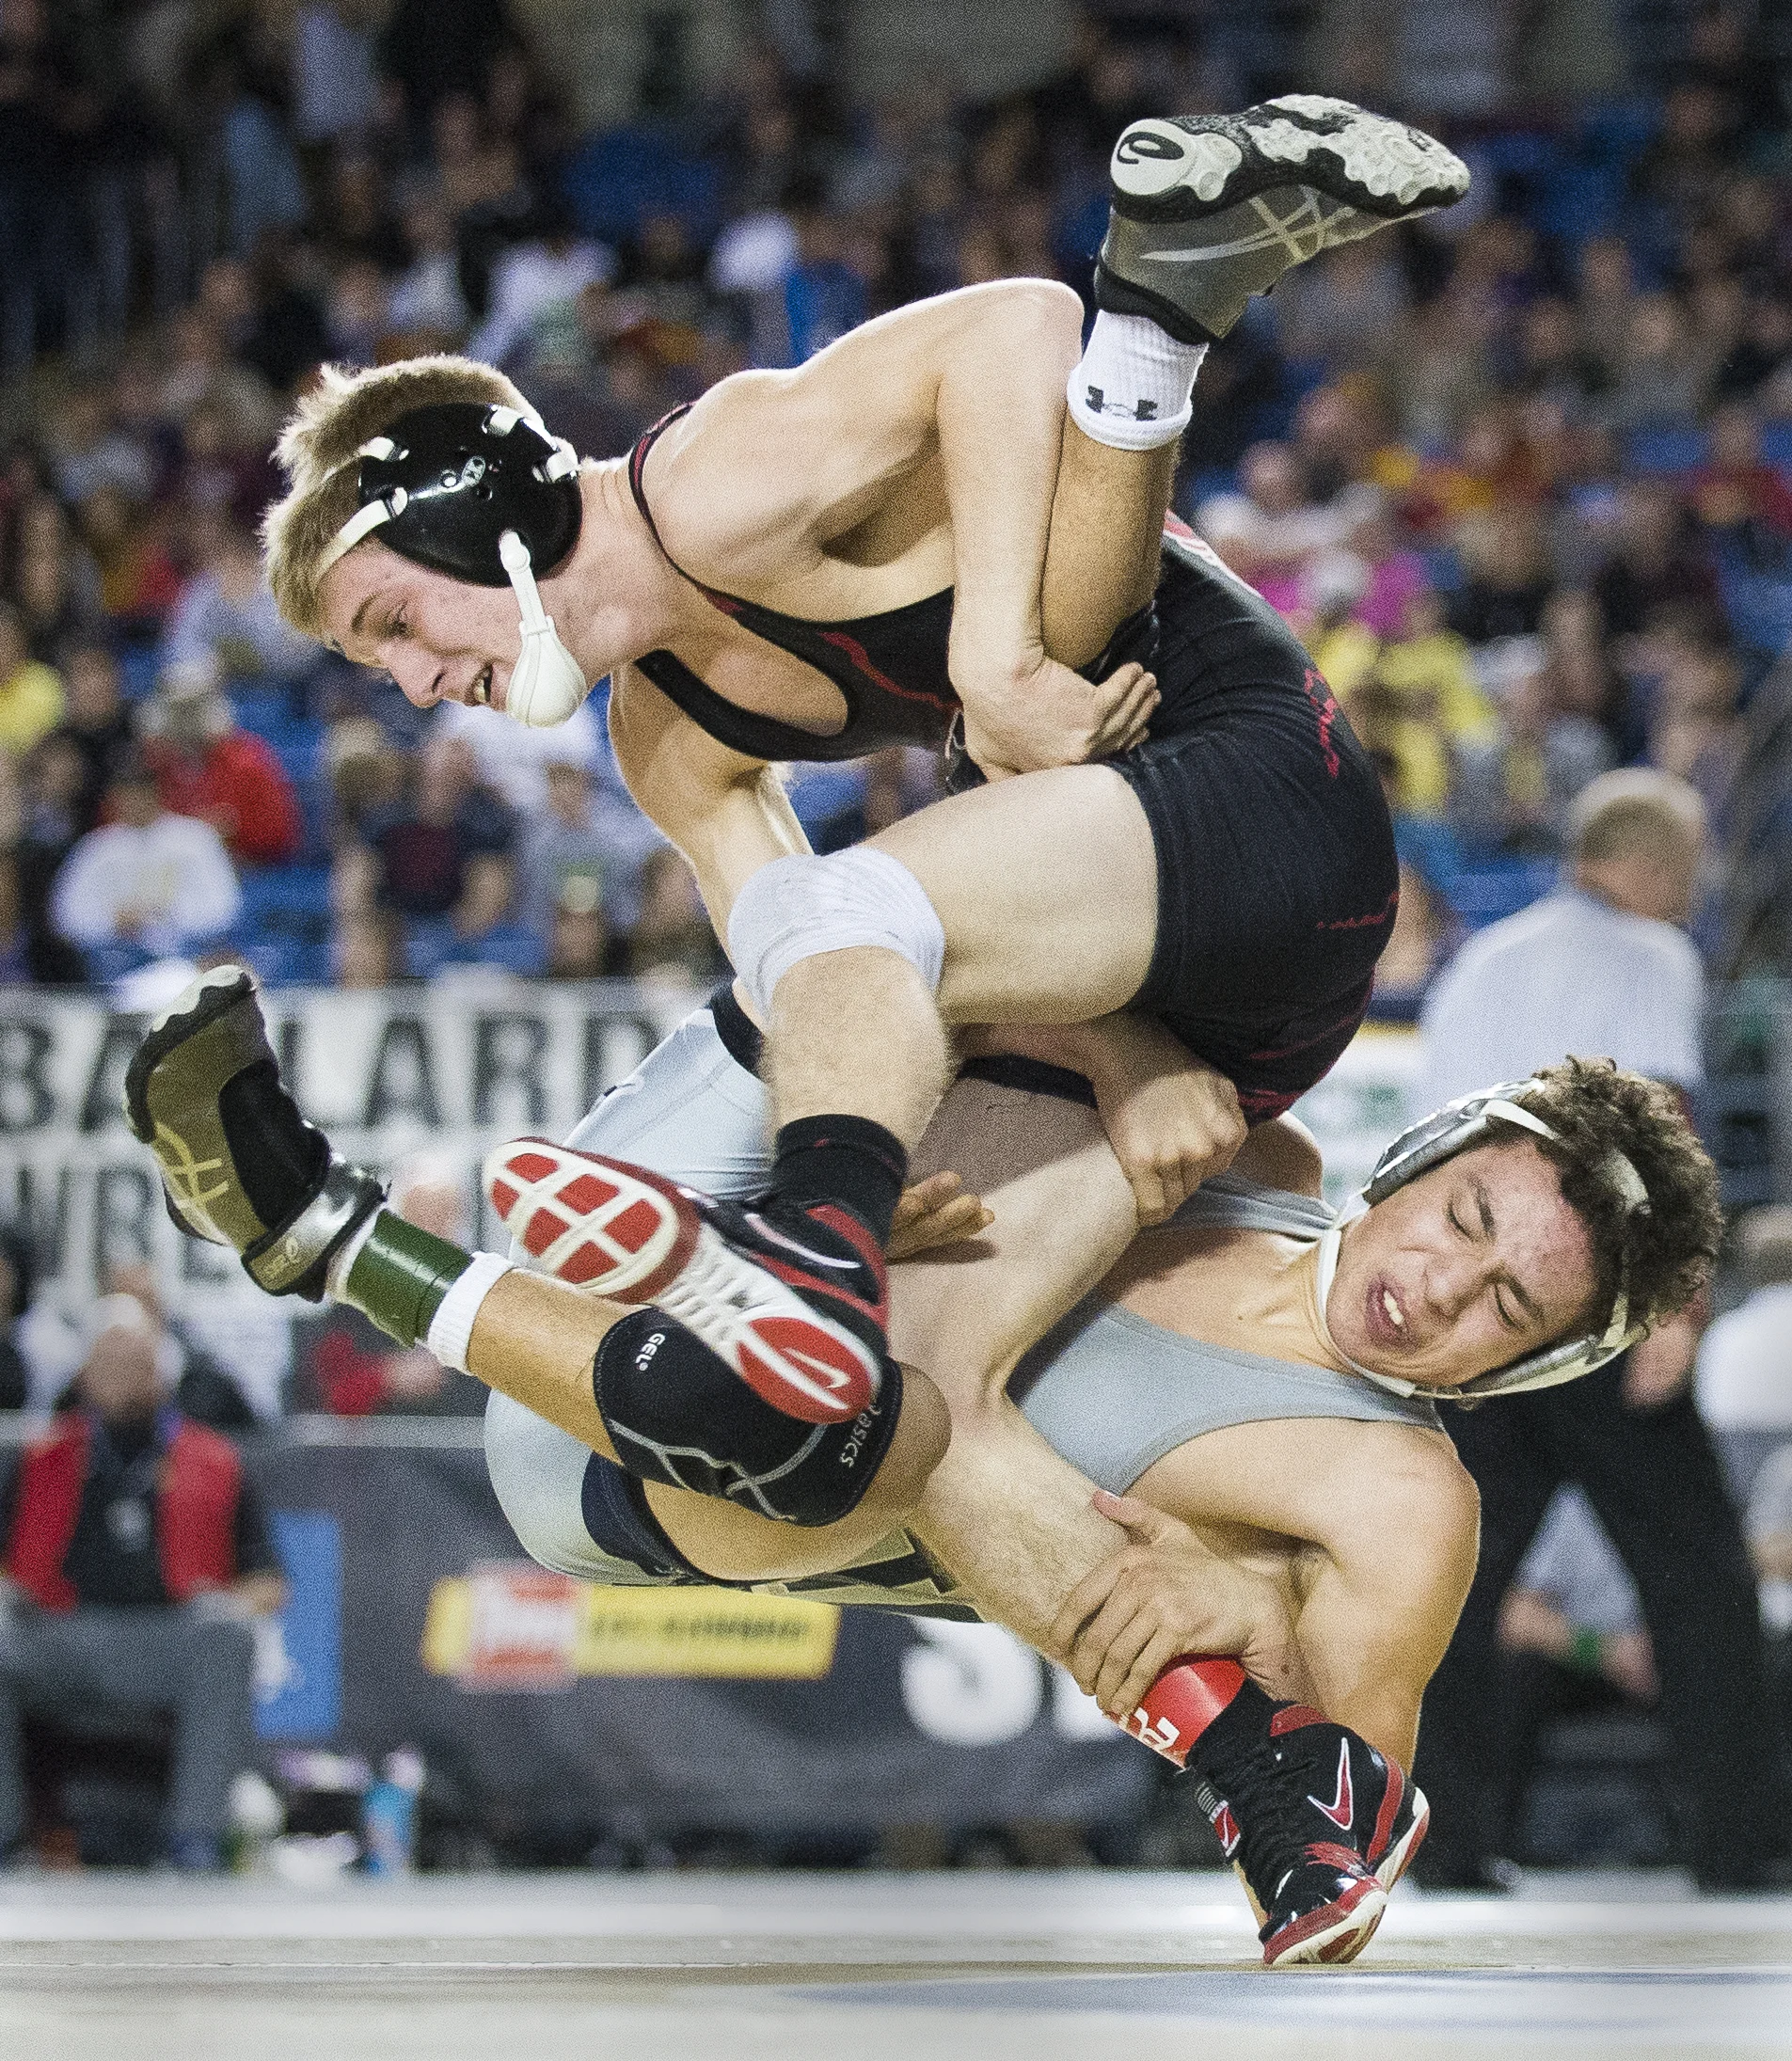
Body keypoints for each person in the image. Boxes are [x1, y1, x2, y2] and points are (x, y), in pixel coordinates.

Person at [262, 97, 1470, 1442]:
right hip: (1183, 973)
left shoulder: (714, 479)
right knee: (930, 1387)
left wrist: (999, 656)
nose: (421, 684)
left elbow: (1012, 321)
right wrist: (918, 1111)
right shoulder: (663, 739)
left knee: (980, 722)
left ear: (476, 517)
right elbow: (825, 985)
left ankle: (1147, 331)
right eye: (384, 673)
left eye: (395, 626)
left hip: (1258, 796)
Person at [125, 963, 1717, 1958]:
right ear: (1425, 1158)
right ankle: (777, 1256)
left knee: (912, 1417)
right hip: (618, 1315)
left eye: (1506, 1306)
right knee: (912, 967)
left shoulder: (1405, 1499)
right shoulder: (1241, 1153)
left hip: (693, 1497)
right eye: (1466, 1219)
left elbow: (1344, 1852)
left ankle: (345, 1238)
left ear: (1534, 1365)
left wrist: (1233, 1617)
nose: (1443, 1285)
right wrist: (873, 1200)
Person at [1414, 767, 1774, 1890]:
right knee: (1698, 1571)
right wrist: (1676, 1301)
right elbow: (1658, 1124)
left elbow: (1437, 1140)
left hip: (1475, 1311)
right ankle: (1738, 1841)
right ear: (1655, 865)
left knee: (1464, 1579)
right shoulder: (1647, 954)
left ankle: (1448, 1844)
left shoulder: (1485, 956)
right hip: (1591, 1303)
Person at [0, 1296, 286, 1870]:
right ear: (83, 1372)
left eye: (134, 1359)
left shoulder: (214, 1458)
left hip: (162, 1639)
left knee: (227, 1642)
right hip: (62, 1634)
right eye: (106, 1359)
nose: (119, 1374)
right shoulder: (43, 1454)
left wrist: (224, 1602)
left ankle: (196, 1839)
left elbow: (268, 1581)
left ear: (161, 1368)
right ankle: (6, 1836)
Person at [49, 753, 242, 979]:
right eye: (125, 795)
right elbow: (66, 915)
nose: (133, 803)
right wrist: (112, 921)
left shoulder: (195, 839)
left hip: (186, 954)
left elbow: (224, 908)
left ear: (155, 794)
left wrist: (163, 914)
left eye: (139, 794)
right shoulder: (96, 849)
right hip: (115, 960)